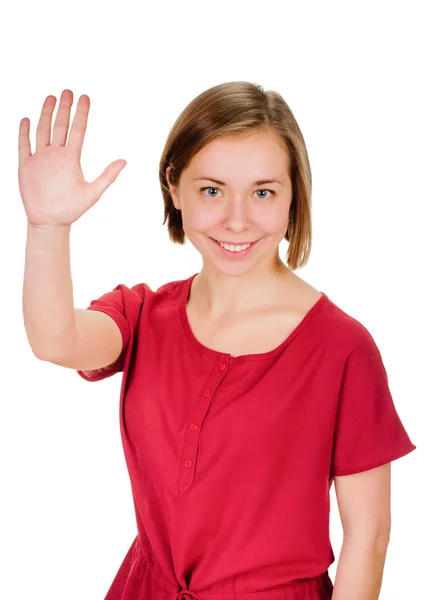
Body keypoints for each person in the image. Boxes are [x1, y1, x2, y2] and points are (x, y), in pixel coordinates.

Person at [19, 81, 416, 600]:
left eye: (263, 192)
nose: (237, 218)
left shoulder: (342, 348)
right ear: (174, 187)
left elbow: (369, 536)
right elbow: (56, 340)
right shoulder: (143, 317)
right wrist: (48, 228)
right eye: (212, 190)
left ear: (295, 196)